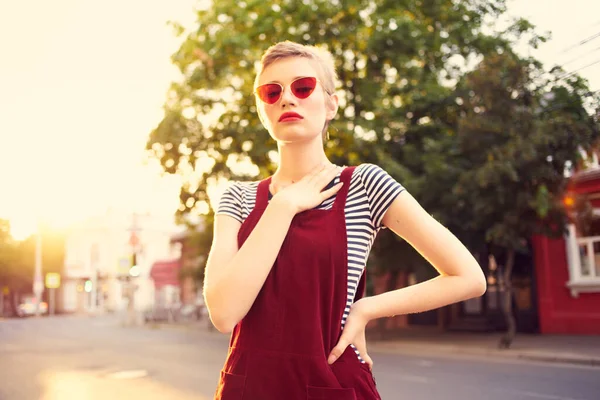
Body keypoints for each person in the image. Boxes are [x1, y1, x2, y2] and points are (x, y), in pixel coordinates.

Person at [204, 41, 487, 400]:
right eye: (271, 92)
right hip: (249, 389)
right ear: (262, 110)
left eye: (303, 87)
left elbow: (469, 277)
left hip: (334, 383)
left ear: (331, 103)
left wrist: (366, 308)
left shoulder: (365, 185)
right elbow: (225, 312)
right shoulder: (238, 199)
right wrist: (283, 206)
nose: (287, 99)